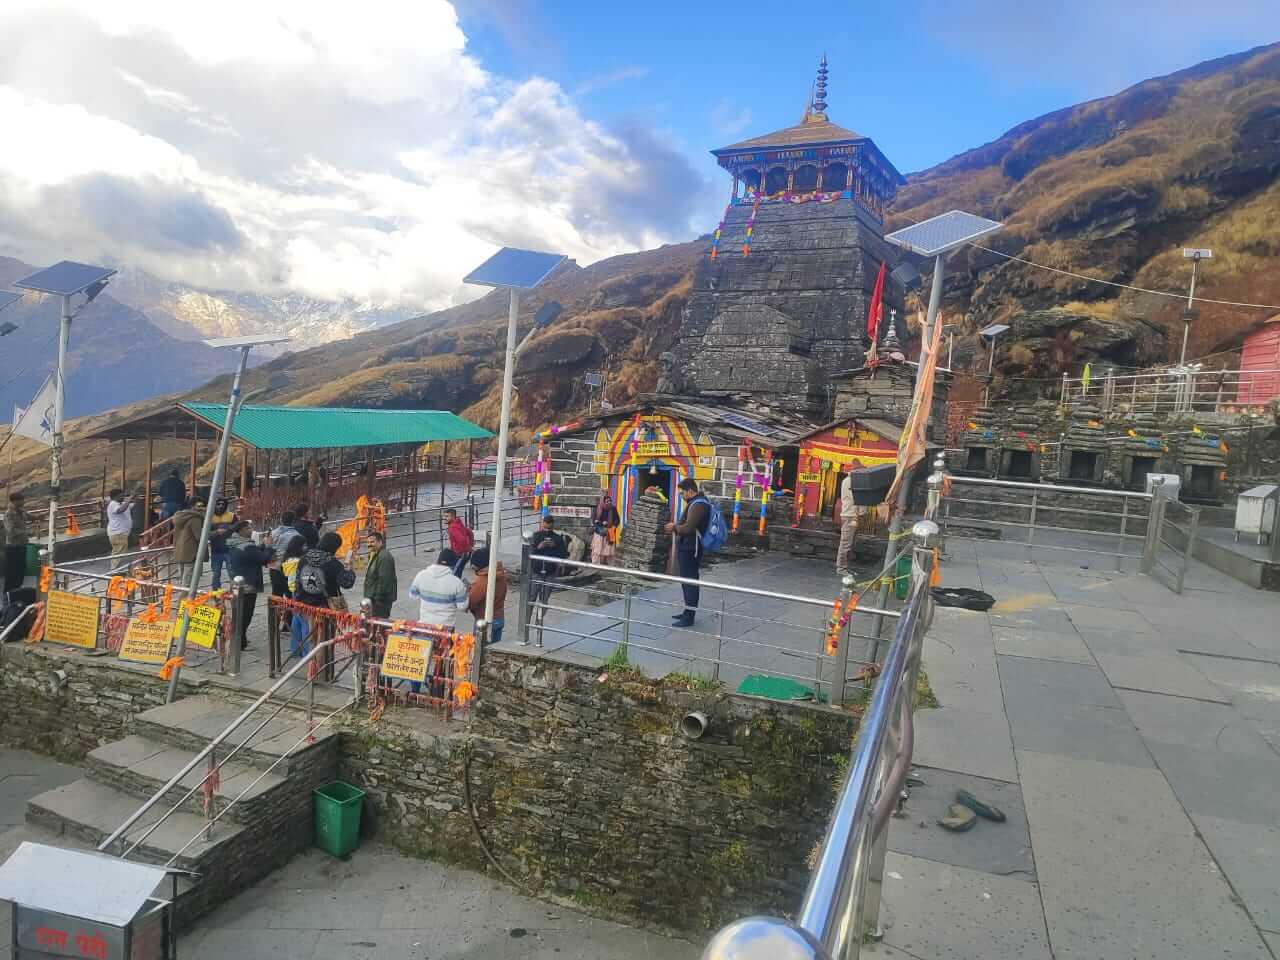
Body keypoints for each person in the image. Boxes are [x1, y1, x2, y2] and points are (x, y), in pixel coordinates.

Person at [291, 531, 356, 656]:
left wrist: (296, 601)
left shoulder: (303, 559)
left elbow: (297, 582)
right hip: (324, 609)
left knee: (310, 638)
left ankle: (311, 661)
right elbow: (347, 583)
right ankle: (322, 666)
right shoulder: (333, 563)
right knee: (324, 641)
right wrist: (349, 567)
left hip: (304, 606)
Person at [665, 478, 709, 627]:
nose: (681, 496)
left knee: (690, 581)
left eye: (682, 493)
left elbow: (689, 528)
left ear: (690, 491)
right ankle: (687, 611)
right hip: (689, 546)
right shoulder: (696, 503)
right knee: (687, 580)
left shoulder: (698, 505)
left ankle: (689, 616)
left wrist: (674, 527)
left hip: (691, 548)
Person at [225, 521, 273, 651]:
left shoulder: (235, 542)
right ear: (240, 530)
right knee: (246, 614)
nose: (251, 530)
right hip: (248, 584)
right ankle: (240, 643)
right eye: (248, 528)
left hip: (236, 583)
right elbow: (264, 559)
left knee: (239, 613)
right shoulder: (247, 546)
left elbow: (253, 555)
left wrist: (262, 545)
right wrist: (268, 546)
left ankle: (239, 638)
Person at [409, 548, 469, 631]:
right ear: (453, 565)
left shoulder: (421, 575)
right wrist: (466, 594)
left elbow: (413, 595)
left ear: (437, 560)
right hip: (445, 629)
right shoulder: (457, 582)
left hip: (424, 625)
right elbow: (462, 607)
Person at [527, 515, 568, 625]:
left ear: (553, 525)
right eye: (545, 528)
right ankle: (526, 621)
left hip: (550, 572)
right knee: (531, 597)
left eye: (549, 528)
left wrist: (554, 546)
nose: (547, 531)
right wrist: (539, 547)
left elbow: (563, 555)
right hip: (536, 571)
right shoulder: (536, 536)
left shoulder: (558, 538)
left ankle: (538, 623)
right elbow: (529, 553)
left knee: (544, 600)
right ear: (542, 524)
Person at [467, 547, 507, 645]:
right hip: (499, 618)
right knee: (494, 648)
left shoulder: (482, 581)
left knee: (479, 649)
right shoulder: (500, 575)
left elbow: (471, 602)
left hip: (484, 621)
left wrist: (469, 591)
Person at [362, 530, 398, 618]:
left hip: (380, 601)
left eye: (372, 542)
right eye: (368, 542)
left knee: (379, 622)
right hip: (373, 599)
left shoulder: (384, 557)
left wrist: (377, 599)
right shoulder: (374, 554)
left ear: (380, 542)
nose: (369, 544)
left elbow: (384, 580)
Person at [268, 511, 302, 598]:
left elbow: (268, 547)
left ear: (281, 520)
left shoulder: (273, 533)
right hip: (289, 567)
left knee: (276, 594)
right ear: (294, 521)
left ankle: (276, 607)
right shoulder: (297, 535)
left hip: (274, 566)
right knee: (290, 594)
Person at [171, 499, 204, 582]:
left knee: (182, 579)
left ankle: (182, 590)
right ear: (192, 506)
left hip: (179, 550)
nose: (202, 508)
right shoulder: (195, 519)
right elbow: (199, 537)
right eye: (199, 506)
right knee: (188, 580)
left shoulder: (179, 516)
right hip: (191, 552)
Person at [208, 498, 236, 590]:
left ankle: (234, 592)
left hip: (230, 550)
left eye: (223, 504)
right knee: (216, 574)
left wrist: (229, 530)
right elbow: (205, 534)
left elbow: (237, 530)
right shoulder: (209, 517)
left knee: (232, 573)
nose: (221, 506)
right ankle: (216, 593)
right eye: (218, 504)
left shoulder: (232, 516)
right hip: (216, 551)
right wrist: (216, 532)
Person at [836, 472, 861, 577]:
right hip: (850, 516)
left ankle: (845, 567)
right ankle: (841, 568)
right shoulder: (850, 481)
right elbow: (855, 498)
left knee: (850, 543)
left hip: (853, 515)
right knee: (846, 543)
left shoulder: (853, 481)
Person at [3, 493, 28, 594]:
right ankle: (8, 594)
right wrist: (25, 533)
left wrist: (38, 517)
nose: (23, 502)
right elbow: (11, 531)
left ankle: (17, 591)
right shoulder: (9, 514)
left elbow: (29, 516)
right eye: (21, 500)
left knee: (20, 570)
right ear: (14, 501)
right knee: (12, 572)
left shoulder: (21, 511)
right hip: (13, 547)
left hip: (22, 545)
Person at [590, 492, 620, 566]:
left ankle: (609, 565)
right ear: (603, 502)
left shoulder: (613, 509)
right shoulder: (598, 508)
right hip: (599, 532)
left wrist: (614, 526)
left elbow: (617, 519)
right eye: (607, 501)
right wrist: (602, 523)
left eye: (610, 501)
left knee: (610, 550)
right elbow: (594, 520)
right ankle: (595, 564)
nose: (609, 502)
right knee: (597, 549)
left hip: (610, 531)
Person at [444, 508, 474, 576]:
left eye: (447, 516)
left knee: (455, 573)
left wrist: (466, 549)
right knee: (458, 571)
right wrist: (471, 545)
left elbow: (462, 540)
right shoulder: (459, 523)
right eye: (444, 516)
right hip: (464, 553)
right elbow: (470, 532)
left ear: (453, 516)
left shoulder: (453, 527)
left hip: (461, 554)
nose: (445, 518)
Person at [105, 488, 134, 556]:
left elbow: (131, 505)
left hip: (120, 533)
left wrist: (133, 497)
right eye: (121, 495)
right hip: (117, 533)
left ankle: (115, 563)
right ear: (116, 496)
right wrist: (128, 501)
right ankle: (115, 563)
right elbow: (120, 510)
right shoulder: (113, 504)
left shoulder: (122, 503)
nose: (123, 497)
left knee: (119, 552)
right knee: (119, 553)